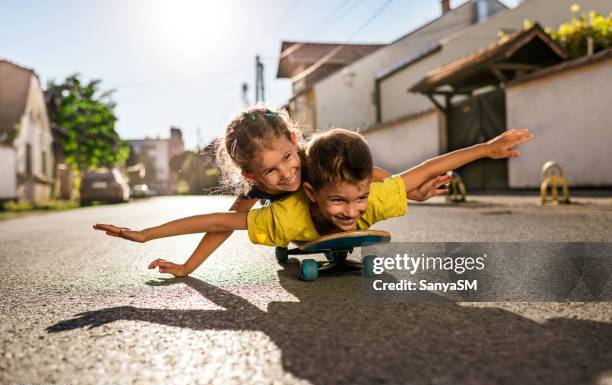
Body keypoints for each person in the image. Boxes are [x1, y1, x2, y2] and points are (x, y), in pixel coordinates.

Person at [94, 106, 450, 277]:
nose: (287, 174)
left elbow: (365, 174)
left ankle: (336, 236)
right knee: (272, 220)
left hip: (334, 215)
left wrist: (414, 192)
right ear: (252, 175)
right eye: (270, 171)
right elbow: (220, 224)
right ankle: (301, 243)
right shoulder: (255, 190)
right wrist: (179, 259)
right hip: (297, 228)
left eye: (287, 158)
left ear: (295, 141)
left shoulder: (309, 158)